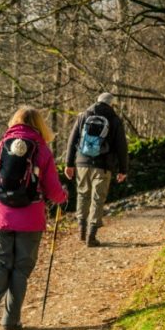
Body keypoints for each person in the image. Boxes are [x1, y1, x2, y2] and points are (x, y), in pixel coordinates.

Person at [0, 106, 68, 330]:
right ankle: (10, 321)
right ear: (39, 125)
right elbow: (53, 190)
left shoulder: (0, 147)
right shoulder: (42, 150)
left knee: (0, 261)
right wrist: (63, 197)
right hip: (30, 218)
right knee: (20, 269)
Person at [64, 92, 129, 247]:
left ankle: (81, 231)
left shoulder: (83, 116)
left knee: (82, 195)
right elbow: (121, 147)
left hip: (82, 164)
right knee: (97, 200)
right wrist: (123, 169)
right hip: (103, 166)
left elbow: (72, 140)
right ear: (111, 104)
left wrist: (69, 164)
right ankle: (91, 236)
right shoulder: (114, 120)